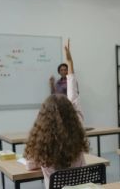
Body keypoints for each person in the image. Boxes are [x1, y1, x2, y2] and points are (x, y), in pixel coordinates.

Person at [24, 39, 89, 189]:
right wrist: (70, 62)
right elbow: (74, 97)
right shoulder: (78, 128)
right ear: (71, 113)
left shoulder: (41, 146)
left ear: (43, 118)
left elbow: (29, 165)